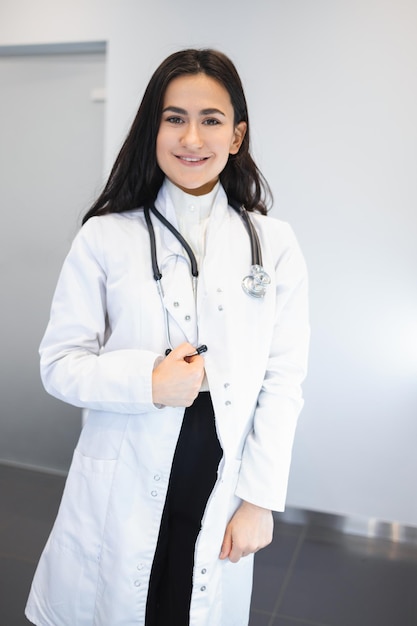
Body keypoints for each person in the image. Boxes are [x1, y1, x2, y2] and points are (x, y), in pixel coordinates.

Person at [25, 48, 309, 626]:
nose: (191, 137)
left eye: (211, 119)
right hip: (124, 473)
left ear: (236, 136)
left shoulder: (273, 245)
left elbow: (283, 382)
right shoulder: (105, 238)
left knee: (189, 604)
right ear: (152, 128)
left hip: (221, 476)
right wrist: (149, 381)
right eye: (174, 117)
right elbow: (59, 364)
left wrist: (258, 501)